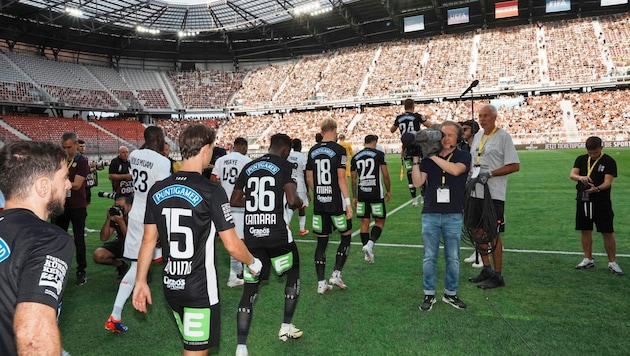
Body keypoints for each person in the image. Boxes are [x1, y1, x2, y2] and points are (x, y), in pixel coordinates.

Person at [132, 124, 261, 355]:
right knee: (196, 352)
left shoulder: (157, 190)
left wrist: (140, 281)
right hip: (199, 288)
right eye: (211, 147)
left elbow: (148, 242)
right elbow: (232, 245)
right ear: (204, 149)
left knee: (195, 347)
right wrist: (252, 262)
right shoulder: (211, 191)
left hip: (171, 284)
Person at [231, 133, 304, 356]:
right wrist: (300, 203)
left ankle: (241, 346)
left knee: (250, 288)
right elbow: (292, 200)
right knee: (293, 273)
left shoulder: (249, 166)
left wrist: (254, 204)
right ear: (285, 150)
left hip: (252, 233)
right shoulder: (285, 165)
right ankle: (285, 327)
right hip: (277, 234)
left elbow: (234, 201)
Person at [0, 141, 73, 355]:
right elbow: (33, 339)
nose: (68, 185)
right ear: (43, 186)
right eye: (64, 178)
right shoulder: (48, 239)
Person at [105, 126, 171, 333]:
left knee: (137, 265)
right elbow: (162, 195)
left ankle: (115, 314)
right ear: (159, 139)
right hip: (152, 216)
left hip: (135, 214)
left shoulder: (134, 155)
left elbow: (145, 153)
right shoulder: (163, 162)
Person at [410, 122, 471, 311]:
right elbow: (418, 182)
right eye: (442, 134)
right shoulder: (429, 158)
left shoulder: (463, 155)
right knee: (429, 257)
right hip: (430, 213)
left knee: (452, 257)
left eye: (450, 135)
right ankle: (429, 293)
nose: (445, 138)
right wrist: (415, 160)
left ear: (458, 138)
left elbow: (455, 170)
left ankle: (450, 294)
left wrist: (432, 156)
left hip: (453, 214)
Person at [466, 104, 520, 289]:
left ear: (495, 117)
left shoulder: (503, 136)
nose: (482, 119)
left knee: (492, 234)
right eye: (480, 116)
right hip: (475, 192)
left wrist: (490, 174)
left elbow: (514, 165)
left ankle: (498, 275)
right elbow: (474, 161)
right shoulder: (478, 136)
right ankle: (487, 268)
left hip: (494, 194)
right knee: (476, 230)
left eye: (486, 116)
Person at [306, 118, 353, 294]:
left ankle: (321, 282)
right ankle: (336, 274)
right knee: (346, 235)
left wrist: (318, 192)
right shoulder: (339, 149)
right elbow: (341, 178)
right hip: (336, 202)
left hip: (320, 203)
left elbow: (309, 178)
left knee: (321, 242)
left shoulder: (312, 150)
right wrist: (348, 202)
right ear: (334, 130)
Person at [569, 136, 623, 275]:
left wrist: (597, 189)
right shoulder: (581, 159)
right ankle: (588, 258)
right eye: (590, 152)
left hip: (601, 201)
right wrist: (581, 177)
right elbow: (572, 174)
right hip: (584, 199)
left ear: (601, 147)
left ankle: (612, 262)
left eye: (595, 152)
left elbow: (608, 182)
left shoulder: (609, 161)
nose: (592, 155)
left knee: (607, 231)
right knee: (585, 229)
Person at [211, 136, 252, 287]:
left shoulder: (221, 160)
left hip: (224, 205)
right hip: (240, 205)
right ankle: (236, 275)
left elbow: (213, 180)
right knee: (242, 240)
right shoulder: (246, 161)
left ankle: (238, 271)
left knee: (232, 239)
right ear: (244, 147)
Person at [53, 132, 90, 285]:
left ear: (76, 145)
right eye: (63, 147)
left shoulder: (82, 161)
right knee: (57, 239)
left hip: (77, 206)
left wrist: (59, 182)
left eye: (69, 147)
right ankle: (56, 269)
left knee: (79, 240)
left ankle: (81, 270)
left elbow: (77, 184)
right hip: (60, 206)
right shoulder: (58, 159)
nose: (66, 150)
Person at [351, 134, 391, 264]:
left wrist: (355, 196)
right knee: (380, 221)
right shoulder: (379, 154)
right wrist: (388, 190)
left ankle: (367, 254)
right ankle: (369, 244)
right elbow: (385, 175)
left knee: (364, 222)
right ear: (374, 142)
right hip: (375, 193)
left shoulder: (355, 157)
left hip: (362, 192)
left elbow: (353, 179)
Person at [390, 98, 433, 207]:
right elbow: (430, 125)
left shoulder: (399, 118)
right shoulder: (417, 116)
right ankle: (423, 197)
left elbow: (392, 130)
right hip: (417, 147)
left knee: (410, 173)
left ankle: (414, 199)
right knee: (421, 170)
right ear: (413, 106)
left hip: (406, 148)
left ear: (404, 106)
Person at [458, 120, 483, 268]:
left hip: (480, 187)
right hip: (466, 188)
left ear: (473, 130)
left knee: (481, 222)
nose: (462, 132)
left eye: (465, 129)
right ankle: (477, 250)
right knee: (470, 222)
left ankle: (483, 251)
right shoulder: (463, 147)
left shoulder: (480, 146)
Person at [94, 193, 133, 279]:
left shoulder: (136, 217)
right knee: (99, 255)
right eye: (116, 206)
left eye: (121, 207)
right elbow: (104, 237)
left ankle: (144, 272)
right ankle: (121, 265)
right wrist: (108, 219)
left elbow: (131, 240)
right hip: (122, 242)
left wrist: (121, 222)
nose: (118, 209)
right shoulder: (117, 217)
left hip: (137, 245)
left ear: (130, 206)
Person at [286, 138, 311, 236]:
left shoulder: (288, 156)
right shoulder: (303, 158)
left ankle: (287, 225)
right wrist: (307, 190)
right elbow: (306, 175)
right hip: (300, 185)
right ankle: (302, 229)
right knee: (301, 207)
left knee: (289, 206)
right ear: (300, 146)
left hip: (289, 184)